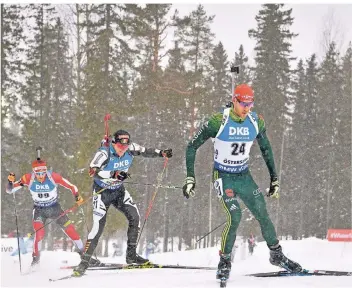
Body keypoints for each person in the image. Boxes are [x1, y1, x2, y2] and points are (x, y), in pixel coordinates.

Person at [182, 84, 302, 281]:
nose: (247, 108)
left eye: (250, 104)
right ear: (235, 101)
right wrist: (190, 177)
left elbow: (266, 149)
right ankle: (225, 261)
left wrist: (274, 178)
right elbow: (191, 147)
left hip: (244, 176)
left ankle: (276, 254)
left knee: (262, 213)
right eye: (243, 104)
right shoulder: (218, 121)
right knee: (235, 216)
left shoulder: (255, 121)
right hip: (223, 176)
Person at [73, 129, 172, 277]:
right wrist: (114, 174)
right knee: (98, 228)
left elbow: (146, 151)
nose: (123, 147)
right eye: (120, 144)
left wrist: (161, 153)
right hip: (102, 192)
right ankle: (84, 263)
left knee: (135, 217)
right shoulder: (104, 153)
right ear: (114, 142)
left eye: (126, 144)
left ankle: (131, 256)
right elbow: (92, 171)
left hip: (119, 191)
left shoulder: (131, 148)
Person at [6, 158, 85, 267]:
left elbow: (72, 186)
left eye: (43, 173)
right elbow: (10, 190)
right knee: (39, 233)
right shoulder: (28, 178)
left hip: (54, 208)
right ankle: (35, 259)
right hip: (39, 210)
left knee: (70, 229)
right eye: (38, 173)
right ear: (34, 172)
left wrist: (77, 196)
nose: (41, 176)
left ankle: (84, 254)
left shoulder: (53, 177)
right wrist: (10, 182)